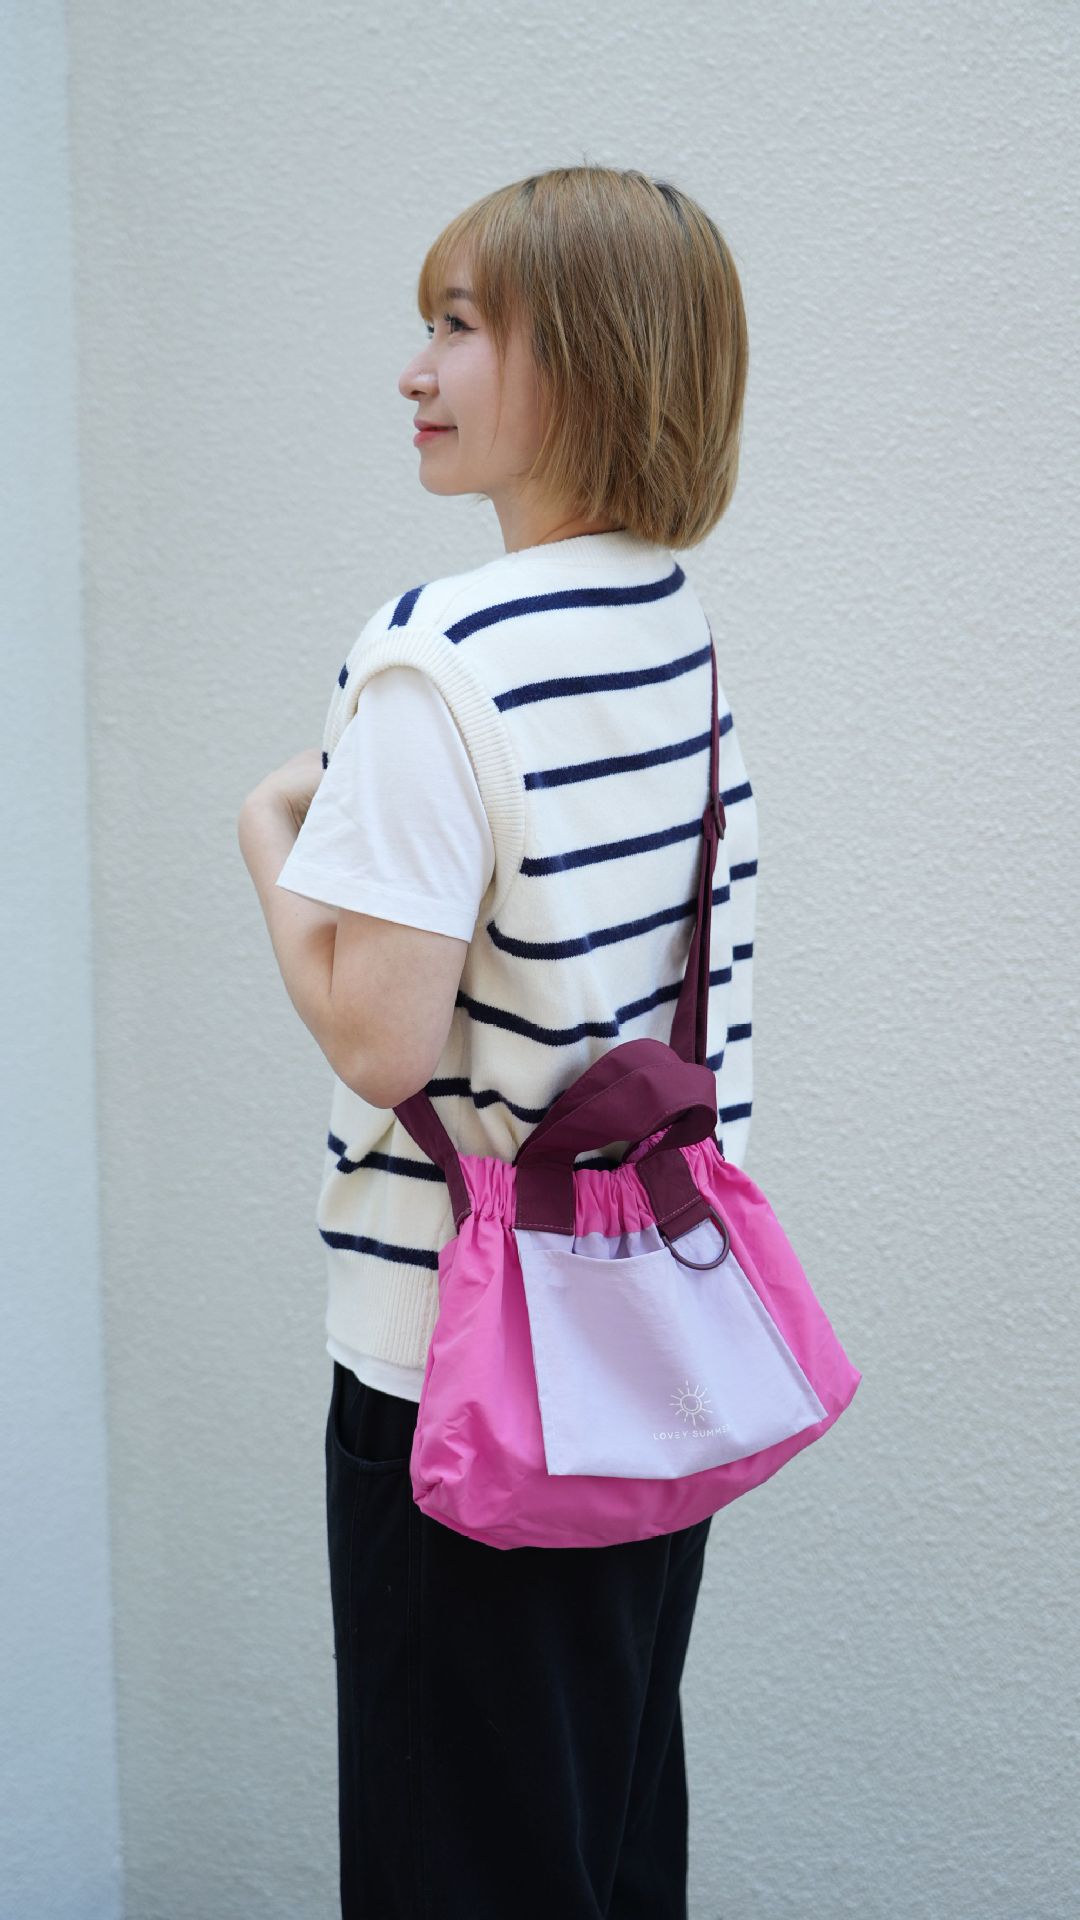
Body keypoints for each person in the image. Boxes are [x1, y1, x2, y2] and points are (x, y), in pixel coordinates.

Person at [237, 164, 755, 1920]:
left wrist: (265, 834)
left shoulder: (441, 652)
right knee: (605, 1839)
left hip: (460, 1377)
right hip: (653, 1346)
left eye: (458, 327)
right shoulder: (671, 628)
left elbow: (381, 1043)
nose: (414, 369)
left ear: (589, 359)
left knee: (452, 1863)